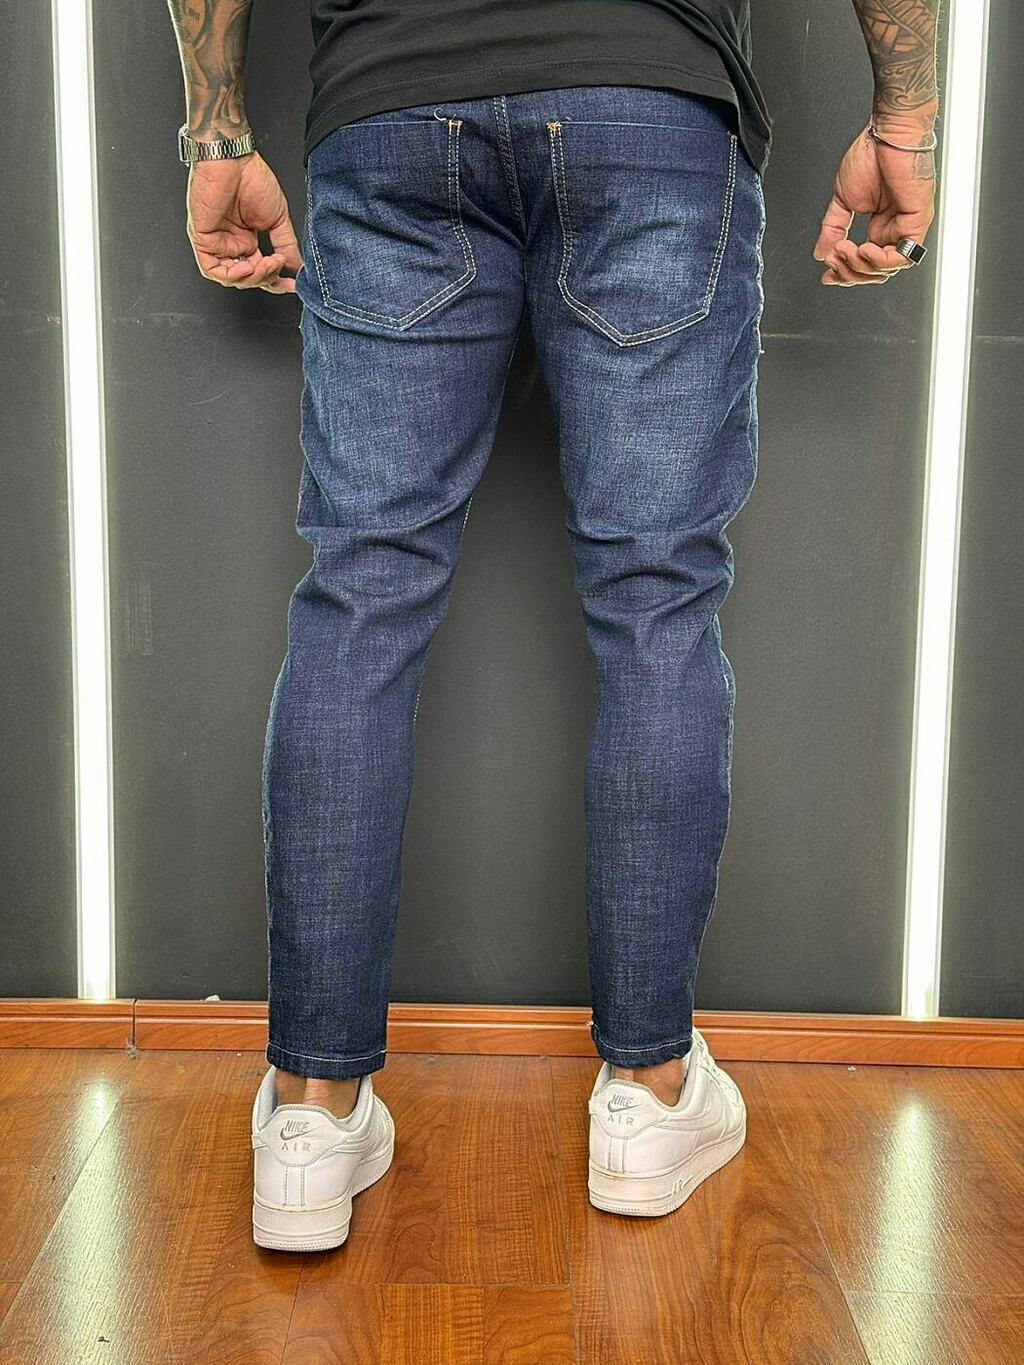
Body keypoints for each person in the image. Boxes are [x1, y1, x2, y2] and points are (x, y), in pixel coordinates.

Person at [166, 0, 939, 1250]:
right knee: (656, 601)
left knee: (361, 592)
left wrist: (217, 134)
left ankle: (309, 1112)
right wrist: (905, 120)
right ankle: (647, 1094)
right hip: (649, 103)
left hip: (390, 102)